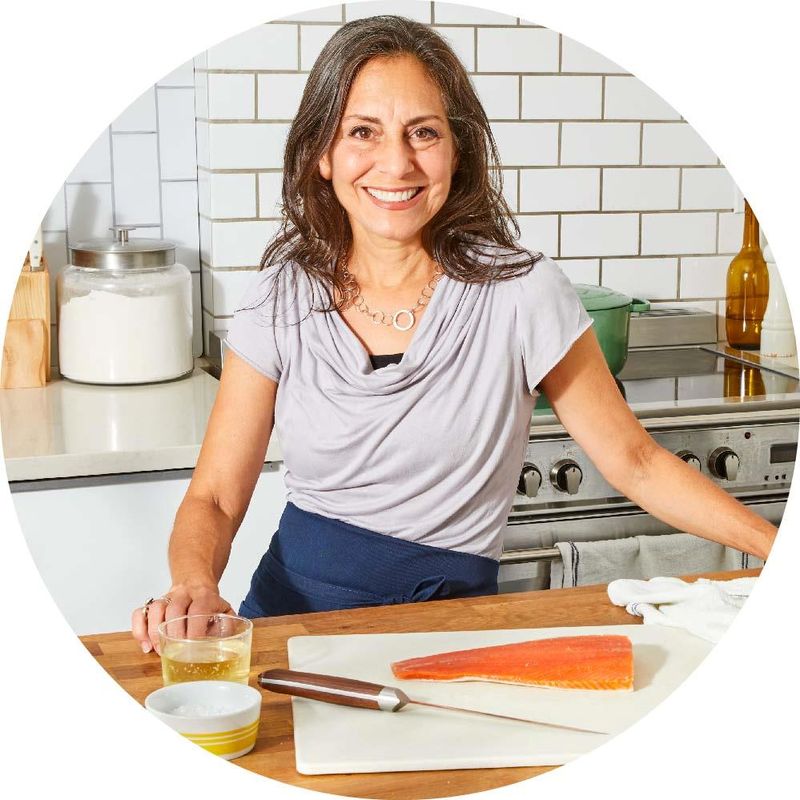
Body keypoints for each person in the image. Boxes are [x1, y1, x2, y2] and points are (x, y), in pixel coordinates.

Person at [132, 16, 776, 654]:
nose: (397, 162)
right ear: (322, 155)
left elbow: (636, 463)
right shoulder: (281, 297)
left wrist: (775, 550)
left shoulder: (523, 293)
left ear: (456, 150)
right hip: (291, 624)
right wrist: (194, 586)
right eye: (363, 132)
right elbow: (215, 496)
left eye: (423, 133)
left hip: (450, 633)